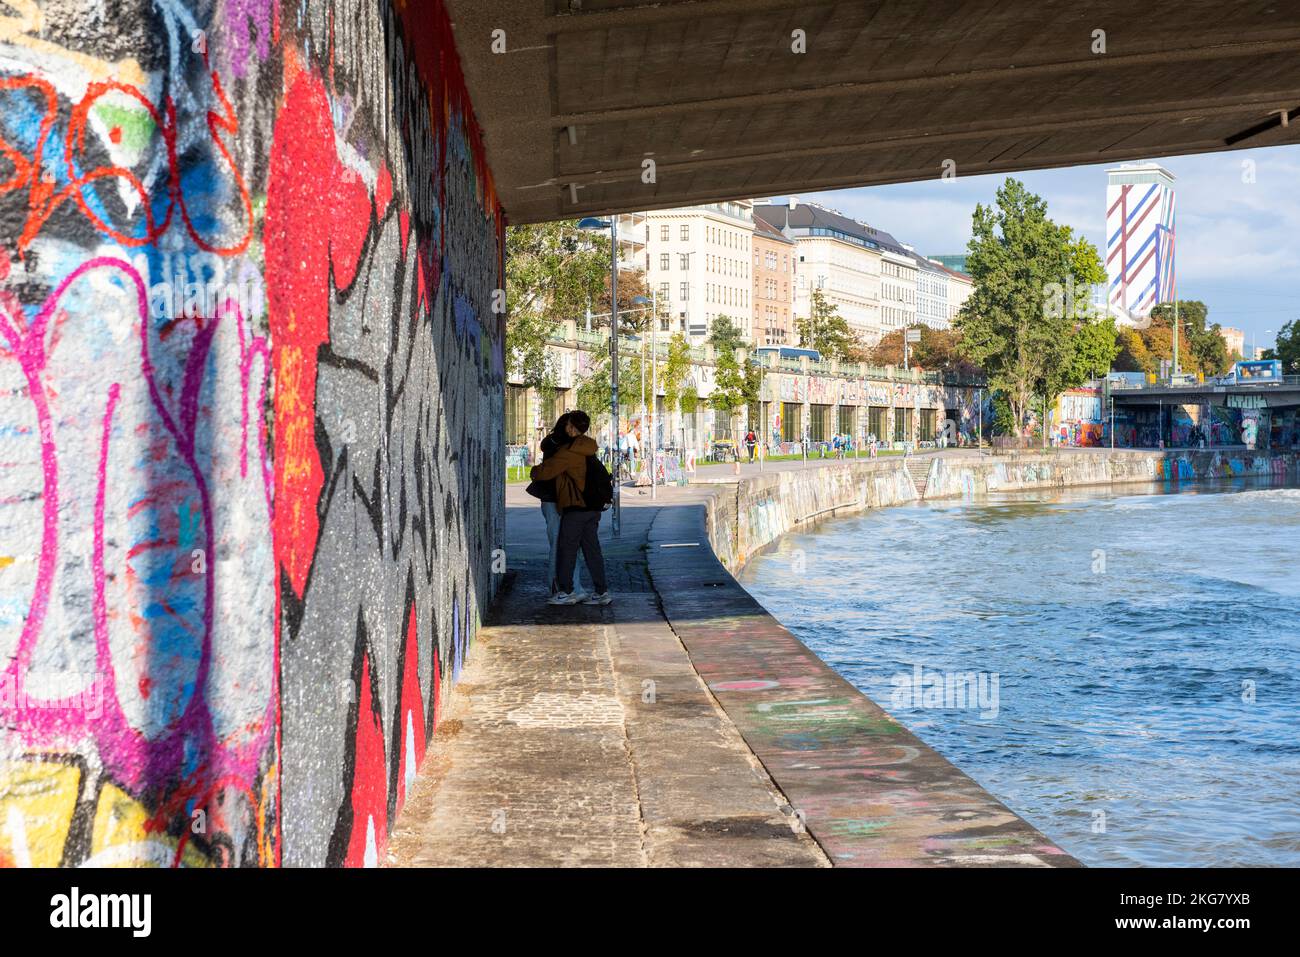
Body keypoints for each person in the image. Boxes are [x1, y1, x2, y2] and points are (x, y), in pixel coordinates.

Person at [529, 410, 611, 606]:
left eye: (568, 425)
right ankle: (602, 591)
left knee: (566, 550)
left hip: (576, 508)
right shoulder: (588, 446)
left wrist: (534, 471)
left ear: (571, 427)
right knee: (592, 551)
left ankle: (565, 591)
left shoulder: (569, 452)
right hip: (593, 509)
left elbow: (546, 471)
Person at [528, 413, 587, 597]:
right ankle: (561, 587)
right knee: (561, 544)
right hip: (556, 500)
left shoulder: (559, 444)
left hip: (562, 500)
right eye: (572, 427)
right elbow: (549, 471)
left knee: (567, 544)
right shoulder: (561, 446)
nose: (574, 431)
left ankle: (571, 587)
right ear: (565, 426)